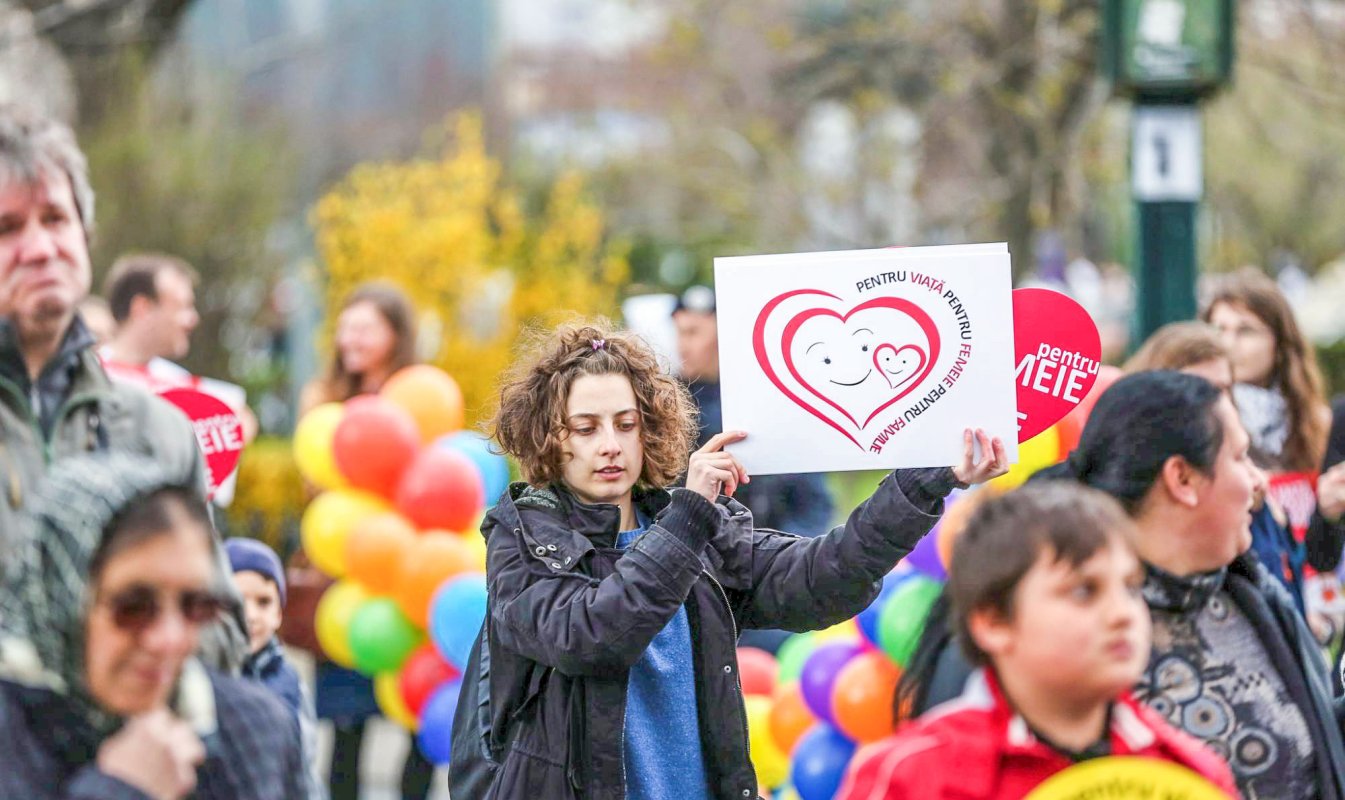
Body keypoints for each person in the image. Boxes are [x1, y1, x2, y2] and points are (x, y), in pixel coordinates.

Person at [448, 319, 1007, 800]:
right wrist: (688, 515)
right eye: (586, 429)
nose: (610, 445)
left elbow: (819, 579)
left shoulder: (692, 526)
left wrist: (922, 484)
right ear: (550, 439)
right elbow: (592, 635)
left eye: (626, 424)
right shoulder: (521, 534)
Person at [0, 104, 246, 672]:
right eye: (7, 227)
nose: (40, 247)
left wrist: (142, 641)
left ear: (84, 236)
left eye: (55, 218)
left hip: (136, 756)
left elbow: (224, 632)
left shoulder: (159, 429)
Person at [837, 483, 1237, 799]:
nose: (1122, 613)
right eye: (1083, 591)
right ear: (994, 622)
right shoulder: (915, 776)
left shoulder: (1187, 772)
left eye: (1132, 588)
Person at [0, 453, 305, 799]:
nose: (171, 639)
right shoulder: (12, 736)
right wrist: (121, 789)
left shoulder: (255, 730)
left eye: (196, 605)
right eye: (134, 607)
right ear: (58, 597)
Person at [295, 281, 432, 800]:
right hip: (347, 578)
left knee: (417, 724)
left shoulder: (421, 395)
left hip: (409, 575)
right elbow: (317, 489)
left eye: (364, 327)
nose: (350, 338)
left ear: (395, 334)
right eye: (345, 327)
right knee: (346, 727)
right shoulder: (324, 399)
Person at [673, 285, 836, 654]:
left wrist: (783, 563)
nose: (683, 346)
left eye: (693, 332)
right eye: (679, 333)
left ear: (721, 332)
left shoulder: (772, 403)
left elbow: (813, 502)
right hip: (693, 589)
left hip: (767, 583)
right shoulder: (666, 408)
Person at [1203, 271, 1342, 644]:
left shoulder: (1320, 424)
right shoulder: (1203, 430)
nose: (1228, 343)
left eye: (1245, 330)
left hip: (1318, 604)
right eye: (1218, 329)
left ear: (1280, 343)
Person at [1125, 320, 1305, 607]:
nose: (1214, 405)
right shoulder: (1130, 479)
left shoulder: (1248, 485)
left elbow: (1283, 601)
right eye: (1199, 391)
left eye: (1223, 390)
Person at [225, 537, 325, 800]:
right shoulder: (203, 680)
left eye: (264, 602)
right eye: (237, 600)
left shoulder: (289, 682)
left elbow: (304, 763)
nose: (251, 615)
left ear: (279, 612)